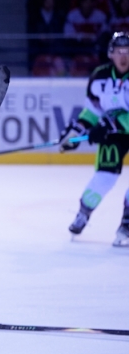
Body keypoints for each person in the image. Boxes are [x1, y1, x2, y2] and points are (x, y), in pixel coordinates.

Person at [60, 32, 129, 247]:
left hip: (115, 129)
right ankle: (83, 213)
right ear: (111, 54)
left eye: (128, 52)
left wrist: (113, 123)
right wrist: (76, 133)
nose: (123, 56)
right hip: (113, 135)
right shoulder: (99, 77)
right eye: (119, 52)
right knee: (104, 177)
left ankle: (126, 224)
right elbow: (92, 111)